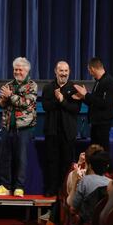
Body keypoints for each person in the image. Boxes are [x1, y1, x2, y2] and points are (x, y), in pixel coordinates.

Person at [0, 57, 37, 197]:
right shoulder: (9, 85)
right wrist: (3, 100)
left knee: (21, 158)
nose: (17, 72)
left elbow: (26, 103)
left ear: (27, 70)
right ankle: (5, 186)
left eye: (20, 69)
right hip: (7, 127)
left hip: (24, 128)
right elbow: (0, 104)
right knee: (5, 158)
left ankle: (19, 187)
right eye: (15, 69)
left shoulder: (32, 85)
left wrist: (10, 96)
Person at [42, 61, 82, 197]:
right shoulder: (48, 88)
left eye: (66, 71)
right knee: (52, 162)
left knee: (66, 163)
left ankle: (64, 190)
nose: (63, 74)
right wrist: (57, 99)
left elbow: (75, 109)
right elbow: (45, 106)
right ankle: (52, 189)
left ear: (69, 72)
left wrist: (62, 100)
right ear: (55, 71)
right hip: (51, 132)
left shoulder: (74, 88)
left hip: (68, 133)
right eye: (61, 71)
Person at [73, 57, 113, 152]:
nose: (89, 73)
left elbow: (104, 103)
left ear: (92, 69)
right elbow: (94, 102)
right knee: (94, 152)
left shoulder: (109, 82)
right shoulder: (99, 81)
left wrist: (86, 94)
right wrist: (83, 97)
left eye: (89, 70)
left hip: (102, 125)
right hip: (95, 124)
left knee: (102, 152)